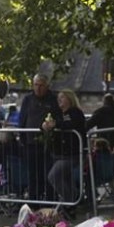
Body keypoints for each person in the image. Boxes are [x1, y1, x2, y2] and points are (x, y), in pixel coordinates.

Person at [44, 89, 87, 217]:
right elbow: (48, 121)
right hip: (58, 152)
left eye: (62, 97)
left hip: (72, 153)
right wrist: (45, 125)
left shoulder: (76, 112)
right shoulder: (57, 112)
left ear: (69, 99)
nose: (59, 100)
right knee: (65, 179)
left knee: (53, 176)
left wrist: (55, 124)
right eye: (59, 97)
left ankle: (69, 202)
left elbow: (71, 124)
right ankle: (74, 201)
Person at [18, 73, 60, 201]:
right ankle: (33, 200)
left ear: (47, 86)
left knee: (48, 173)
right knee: (33, 174)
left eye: (41, 85)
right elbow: (22, 119)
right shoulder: (28, 99)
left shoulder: (53, 99)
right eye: (36, 85)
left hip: (48, 143)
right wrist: (23, 137)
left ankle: (49, 200)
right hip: (31, 143)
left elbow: (58, 117)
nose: (38, 88)